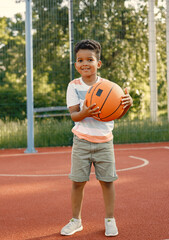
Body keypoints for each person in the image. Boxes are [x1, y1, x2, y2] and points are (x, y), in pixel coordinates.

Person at [61, 39, 133, 237]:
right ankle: (76, 221)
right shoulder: (73, 86)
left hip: (104, 142)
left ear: (98, 63)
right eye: (80, 60)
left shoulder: (111, 88)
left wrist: (127, 104)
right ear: (75, 64)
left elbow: (117, 113)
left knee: (107, 182)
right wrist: (86, 112)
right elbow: (74, 116)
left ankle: (110, 220)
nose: (85, 63)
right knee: (77, 182)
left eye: (89, 59)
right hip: (81, 141)